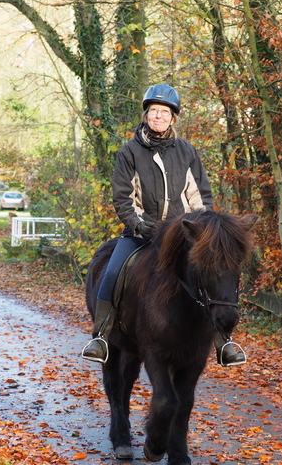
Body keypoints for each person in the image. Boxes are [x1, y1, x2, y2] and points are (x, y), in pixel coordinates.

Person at [81, 82, 246, 367]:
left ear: (173, 118)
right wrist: (138, 224)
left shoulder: (187, 152)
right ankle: (102, 335)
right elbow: (122, 196)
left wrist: (200, 229)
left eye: (164, 112)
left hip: (182, 234)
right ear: (145, 116)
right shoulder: (129, 152)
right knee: (113, 271)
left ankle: (224, 341)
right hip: (141, 232)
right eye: (153, 111)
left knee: (212, 275)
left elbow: (199, 196)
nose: (158, 116)